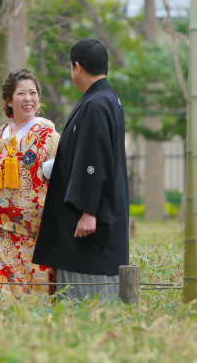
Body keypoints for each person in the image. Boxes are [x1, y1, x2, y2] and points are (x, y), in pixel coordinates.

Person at [33, 39, 129, 301]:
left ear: (77, 67)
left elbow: (93, 161)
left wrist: (89, 211)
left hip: (89, 224)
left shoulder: (97, 104)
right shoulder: (108, 99)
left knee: (87, 301)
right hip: (97, 216)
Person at [0, 69, 60, 301]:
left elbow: (62, 175)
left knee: (35, 296)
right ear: (8, 100)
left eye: (33, 93)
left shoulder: (47, 132)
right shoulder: (1, 134)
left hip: (34, 230)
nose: (28, 99)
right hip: (1, 231)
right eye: (21, 94)